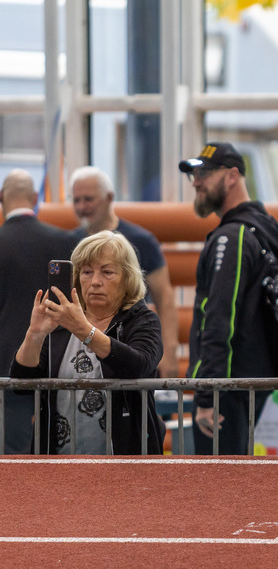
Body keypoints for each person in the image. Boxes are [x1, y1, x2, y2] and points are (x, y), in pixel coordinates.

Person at [178, 141, 278, 455]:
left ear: (231, 176)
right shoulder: (262, 228)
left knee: (217, 481)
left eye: (205, 174)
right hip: (250, 384)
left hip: (228, 388)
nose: (196, 182)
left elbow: (219, 319)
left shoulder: (233, 237)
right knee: (238, 476)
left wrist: (208, 395)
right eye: (194, 175)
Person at [9, 230, 165, 454]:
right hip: (59, 461)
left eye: (107, 272)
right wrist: (35, 334)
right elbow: (21, 383)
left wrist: (83, 330)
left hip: (123, 461)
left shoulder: (142, 319)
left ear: (127, 278)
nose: (95, 282)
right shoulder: (61, 322)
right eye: (87, 272)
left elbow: (138, 365)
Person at [69, 166, 179, 378]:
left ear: (109, 197)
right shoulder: (71, 242)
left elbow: (164, 297)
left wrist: (170, 353)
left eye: (88, 199)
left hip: (132, 342)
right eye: (76, 200)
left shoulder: (141, 241)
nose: (82, 207)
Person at [0, 169, 79, 454]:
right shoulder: (66, 242)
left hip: (7, 369)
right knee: (59, 452)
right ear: (35, 198)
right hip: (60, 364)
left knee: (13, 456)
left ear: (2, 198)